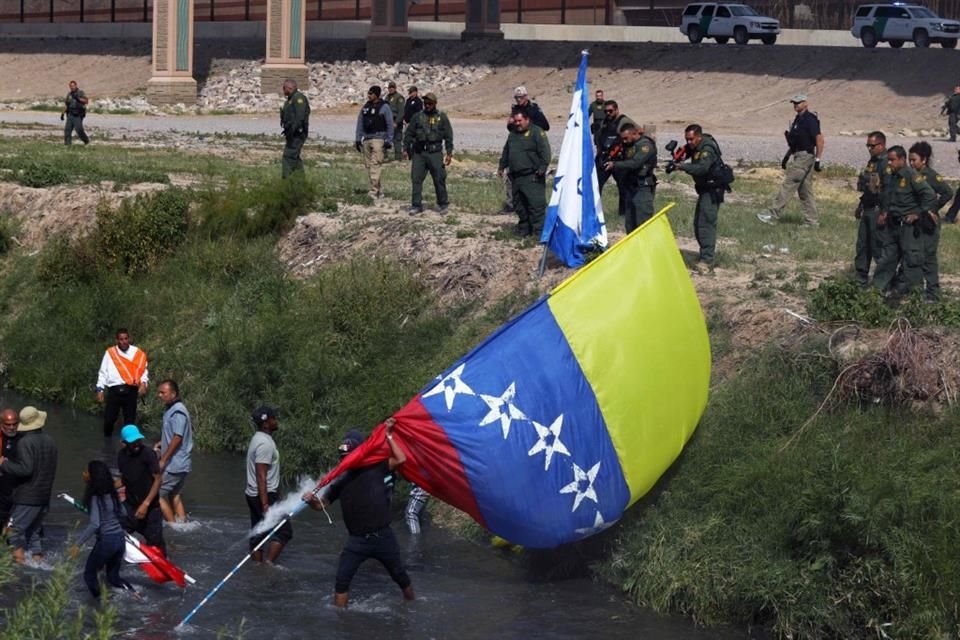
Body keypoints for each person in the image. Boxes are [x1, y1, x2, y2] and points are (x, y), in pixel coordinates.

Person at [304, 418, 414, 608]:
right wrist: (311, 501)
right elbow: (321, 505)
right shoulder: (340, 480)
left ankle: (413, 605)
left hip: (383, 536)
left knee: (400, 576)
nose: (346, 459)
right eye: (343, 456)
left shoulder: (377, 467)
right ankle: (341, 622)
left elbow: (401, 458)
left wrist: (388, 435)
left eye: (350, 454)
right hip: (357, 541)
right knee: (341, 582)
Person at [871, 145, 937, 297]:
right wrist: (885, 212)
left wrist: (918, 213)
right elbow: (888, 197)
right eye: (888, 160)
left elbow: (929, 195)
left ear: (902, 159)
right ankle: (877, 292)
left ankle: (912, 295)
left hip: (908, 227)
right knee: (887, 258)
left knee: (911, 261)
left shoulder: (911, 176)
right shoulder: (893, 176)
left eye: (892, 160)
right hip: (893, 224)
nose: (889, 163)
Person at [0, 406, 57, 564]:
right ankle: (38, 564)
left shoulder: (25, 442)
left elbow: (26, 469)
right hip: (44, 496)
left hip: (27, 497)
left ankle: (19, 569)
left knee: (11, 532)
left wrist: (4, 464)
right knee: (34, 533)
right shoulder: (50, 441)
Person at [757, 94, 823, 227]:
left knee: (789, 183)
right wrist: (786, 157)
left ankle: (772, 213)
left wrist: (818, 159)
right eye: (794, 103)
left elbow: (819, 139)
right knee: (805, 190)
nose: (796, 105)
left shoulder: (810, 119)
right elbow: (794, 143)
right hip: (798, 155)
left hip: (805, 156)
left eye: (798, 103)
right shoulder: (798, 119)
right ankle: (812, 221)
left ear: (805, 103)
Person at [71, 460, 134, 599]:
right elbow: (123, 513)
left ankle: (102, 604)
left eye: (86, 472)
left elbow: (94, 524)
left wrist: (77, 544)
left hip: (107, 541)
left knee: (89, 574)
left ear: (93, 476)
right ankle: (135, 594)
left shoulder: (95, 498)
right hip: (119, 539)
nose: (83, 474)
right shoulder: (113, 494)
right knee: (113, 577)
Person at [245, 405, 292, 563]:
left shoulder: (258, 438)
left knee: (258, 531)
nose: (276, 420)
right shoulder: (265, 444)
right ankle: (268, 564)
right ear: (266, 423)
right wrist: (265, 504)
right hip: (264, 495)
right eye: (273, 418)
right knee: (284, 531)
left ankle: (257, 566)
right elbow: (261, 475)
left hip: (254, 493)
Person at [908, 141, 953, 302]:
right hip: (915, 221)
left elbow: (947, 192)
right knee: (915, 256)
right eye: (910, 160)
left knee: (928, 257)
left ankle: (933, 293)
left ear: (924, 160)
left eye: (914, 160)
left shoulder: (931, 176)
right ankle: (916, 291)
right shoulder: (910, 175)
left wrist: (932, 208)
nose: (911, 163)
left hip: (928, 222)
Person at [675, 124, 724, 265]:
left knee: (706, 223)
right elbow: (685, 154)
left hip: (713, 189)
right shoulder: (695, 147)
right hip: (704, 189)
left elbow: (702, 168)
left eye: (691, 139)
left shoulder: (707, 148)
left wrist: (683, 167)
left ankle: (707, 259)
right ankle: (704, 254)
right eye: (687, 139)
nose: (689, 142)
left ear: (699, 137)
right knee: (698, 224)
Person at [498, 108, 552, 238]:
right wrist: (501, 166)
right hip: (516, 177)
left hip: (532, 176)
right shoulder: (513, 135)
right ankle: (524, 229)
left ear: (527, 120)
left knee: (536, 205)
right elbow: (506, 151)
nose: (517, 123)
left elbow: (545, 152)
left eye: (520, 121)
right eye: (515, 121)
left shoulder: (537, 132)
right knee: (519, 205)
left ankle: (538, 232)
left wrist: (542, 168)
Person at [117, 424, 165, 555]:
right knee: (113, 529)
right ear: (124, 443)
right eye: (133, 442)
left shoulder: (148, 454)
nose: (137, 444)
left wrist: (146, 504)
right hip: (130, 506)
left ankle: (164, 570)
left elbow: (158, 479)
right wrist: (105, 487)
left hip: (150, 509)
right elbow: (123, 479)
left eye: (138, 440)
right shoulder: (121, 456)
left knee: (156, 548)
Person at [403, 92, 454, 215]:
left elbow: (448, 136)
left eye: (430, 103)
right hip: (419, 153)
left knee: (439, 178)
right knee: (416, 179)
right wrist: (405, 149)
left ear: (435, 104)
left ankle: (442, 204)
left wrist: (449, 152)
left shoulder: (442, 117)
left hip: (435, 152)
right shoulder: (417, 117)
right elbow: (409, 133)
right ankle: (416, 205)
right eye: (425, 103)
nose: (427, 105)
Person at [604, 122, 657, 234]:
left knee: (643, 223)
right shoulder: (628, 145)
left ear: (634, 133)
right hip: (631, 187)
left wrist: (616, 164)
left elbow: (635, 163)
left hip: (643, 188)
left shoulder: (645, 145)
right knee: (630, 223)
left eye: (626, 138)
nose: (624, 141)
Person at [96, 328, 149, 439]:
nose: (124, 341)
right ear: (117, 340)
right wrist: (100, 389)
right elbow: (102, 372)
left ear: (129, 338)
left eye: (126, 338)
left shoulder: (137, 353)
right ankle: (107, 443)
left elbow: (143, 370)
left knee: (130, 422)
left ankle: (129, 446)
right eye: (121, 339)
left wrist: (144, 383)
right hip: (114, 391)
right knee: (109, 420)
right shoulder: (110, 353)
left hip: (131, 391)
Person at [156, 379, 192, 523]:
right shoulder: (171, 409)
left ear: (173, 393)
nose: (159, 395)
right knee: (174, 495)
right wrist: (162, 442)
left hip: (175, 465)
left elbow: (178, 437)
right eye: (159, 392)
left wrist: (163, 459)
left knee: (155, 495)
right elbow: (174, 434)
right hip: (181, 464)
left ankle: (173, 526)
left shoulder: (178, 411)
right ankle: (183, 526)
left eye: (163, 392)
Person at [355, 85, 395, 200]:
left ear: (376, 95)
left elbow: (389, 124)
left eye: (371, 93)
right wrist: (358, 139)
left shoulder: (385, 107)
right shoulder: (366, 107)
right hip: (367, 138)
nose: (369, 95)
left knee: (375, 164)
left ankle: (373, 191)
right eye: (368, 93)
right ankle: (379, 189)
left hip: (379, 138)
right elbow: (360, 123)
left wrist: (389, 140)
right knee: (369, 166)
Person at [594, 100, 636, 194]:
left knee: (624, 188)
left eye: (610, 111)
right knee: (595, 185)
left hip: (618, 159)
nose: (608, 113)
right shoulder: (604, 122)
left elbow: (637, 133)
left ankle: (624, 209)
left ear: (616, 110)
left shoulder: (623, 120)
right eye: (606, 111)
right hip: (604, 158)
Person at [280, 79, 311, 178]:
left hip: (297, 134)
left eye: (284, 88)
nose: (283, 90)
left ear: (289, 87)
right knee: (295, 158)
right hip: (292, 133)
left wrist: (293, 130)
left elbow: (299, 117)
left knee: (288, 156)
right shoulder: (291, 99)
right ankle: (300, 182)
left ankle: (286, 179)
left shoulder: (298, 98)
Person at [0, 408, 20, 530]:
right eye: (8, 424)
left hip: (16, 487)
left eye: (14, 424)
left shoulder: (22, 439)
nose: (12, 427)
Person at [61, 80, 89, 146]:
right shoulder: (69, 94)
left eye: (73, 86)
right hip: (70, 114)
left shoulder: (80, 93)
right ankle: (67, 145)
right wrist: (62, 114)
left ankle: (86, 141)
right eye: (71, 86)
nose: (72, 87)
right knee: (67, 130)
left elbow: (86, 101)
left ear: (76, 86)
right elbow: (66, 105)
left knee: (79, 130)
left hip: (78, 115)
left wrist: (78, 99)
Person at [386, 81, 406, 162]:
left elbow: (401, 111)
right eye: (389, 88)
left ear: (395, 88)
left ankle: (398, 157)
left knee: (397, 139)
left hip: (396, 121)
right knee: (386, 138)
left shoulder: (399, 97)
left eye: (392, 88)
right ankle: (385, 156)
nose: (391, 89)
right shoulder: (387, 97)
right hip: (388, 121)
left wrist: (397, 122)